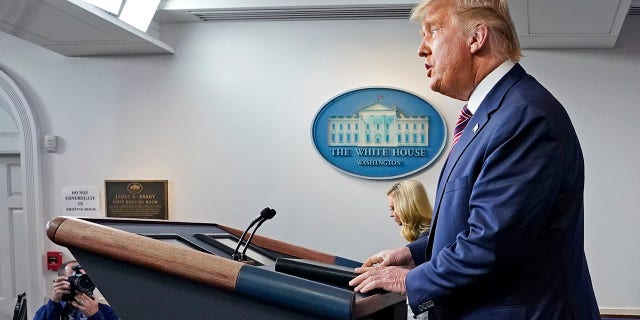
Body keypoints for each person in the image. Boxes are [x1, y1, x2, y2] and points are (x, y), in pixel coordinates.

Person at [349, 0, 600, 319]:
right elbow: (471, 223)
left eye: (432, 31)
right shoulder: (490, 116)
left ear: (476, 38)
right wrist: (413, 255)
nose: (422, 49)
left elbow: (491, 244)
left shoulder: (525, 116)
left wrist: (409, 281)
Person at [34, 260, 119, 320]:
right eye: (75, 278)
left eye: (84, 279)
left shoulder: (105, 311)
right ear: (61, 282)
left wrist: (95, 315)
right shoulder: (49, 309)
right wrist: (54, 304)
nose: (81, 284)